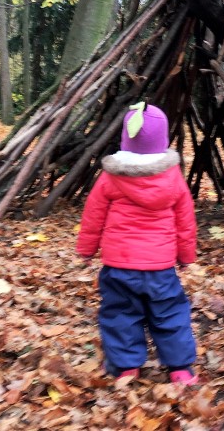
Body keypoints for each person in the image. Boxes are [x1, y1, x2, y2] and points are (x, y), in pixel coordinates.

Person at [76, 102, 199, 385]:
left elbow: (93, 216)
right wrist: (186, 256)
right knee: (169, 314)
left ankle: (126, 366)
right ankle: (180, 368)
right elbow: (185, 221)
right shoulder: (173, 178)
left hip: (119, 266)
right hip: (161, 267)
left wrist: (86, 250)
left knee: (121, 315)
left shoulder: (110, 177)